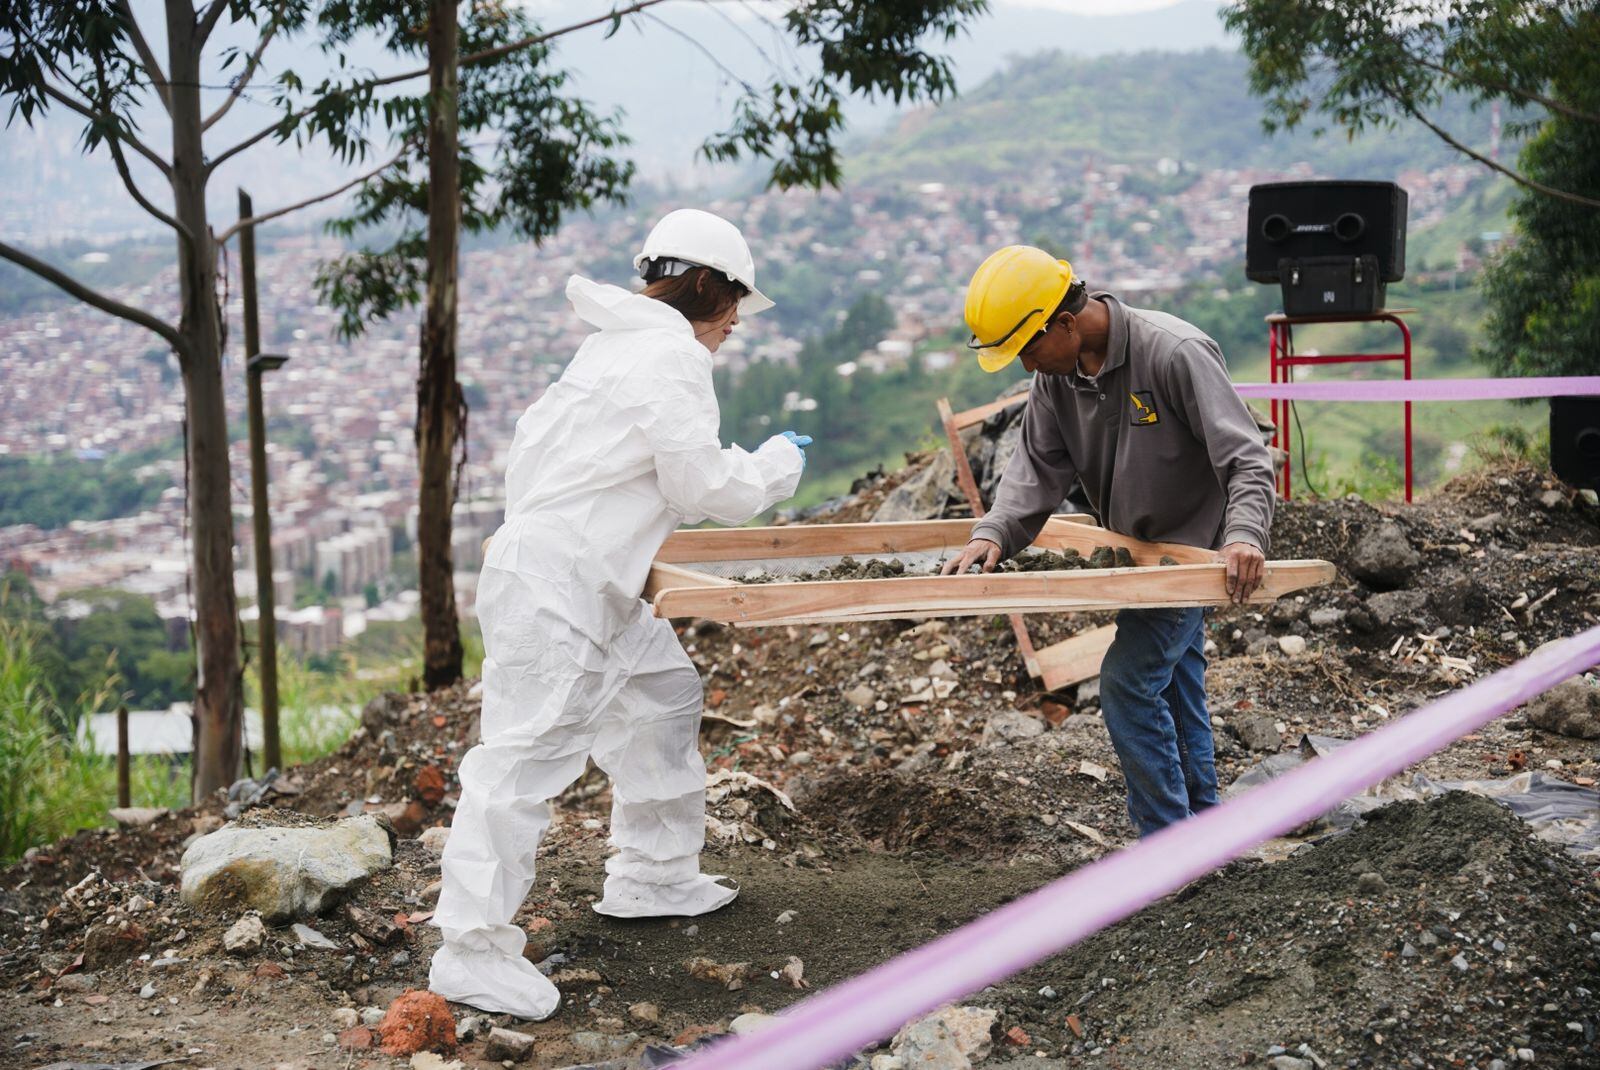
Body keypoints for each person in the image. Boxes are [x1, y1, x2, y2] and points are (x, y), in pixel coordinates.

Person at [429, 209, 810, 1020]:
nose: (738, 318)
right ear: (704, 283)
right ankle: (469, 949)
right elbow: (701, 488)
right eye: (735, 297)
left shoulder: (614, 345)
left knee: (662, 696)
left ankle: (652, 875)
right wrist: (776, 466)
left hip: (585, 577)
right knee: (525, 759)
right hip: (563, 586)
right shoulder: (670, 354)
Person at [943, 245, 1274, 837]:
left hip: (1190, 555)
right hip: (1137, 553)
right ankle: (1204, 829)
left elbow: (1247, 460)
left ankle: (1166, 847)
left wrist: (1246, 535)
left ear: (1066, 322)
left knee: (1126, 684)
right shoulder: (1058, 376)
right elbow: (1036, 468)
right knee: (1175, 685)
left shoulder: (1175, 353)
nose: (1024, 366)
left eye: (1026, 349)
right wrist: (994, 532)